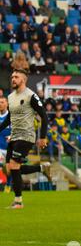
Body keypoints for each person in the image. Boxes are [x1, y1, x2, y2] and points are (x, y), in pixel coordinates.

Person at [0, 69, 51, 209]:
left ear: (23, 79)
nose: (13, 79)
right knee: (10, 169)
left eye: (16, 77)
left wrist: (42, 137)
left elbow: (44, 116)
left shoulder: (31, 96)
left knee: (14, 166)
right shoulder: (10, 97)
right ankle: (42, 168)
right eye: (12, 77)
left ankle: (18, 202)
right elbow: (10, 118)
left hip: (26, 136)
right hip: (14, 136)